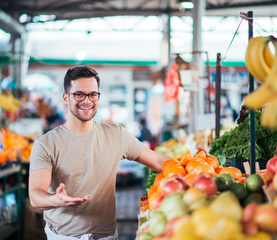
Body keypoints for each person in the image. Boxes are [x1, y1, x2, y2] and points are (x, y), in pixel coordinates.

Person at [28, 66, 171, 240]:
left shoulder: (116, 134)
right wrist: (55, 200)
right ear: (66, 97)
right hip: (64, 237)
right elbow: (36, 195)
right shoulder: (45, 144)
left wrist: (192, 166)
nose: (87, 100)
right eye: (79, 94)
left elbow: (158, 161)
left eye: (93, 94)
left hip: (107, 236)